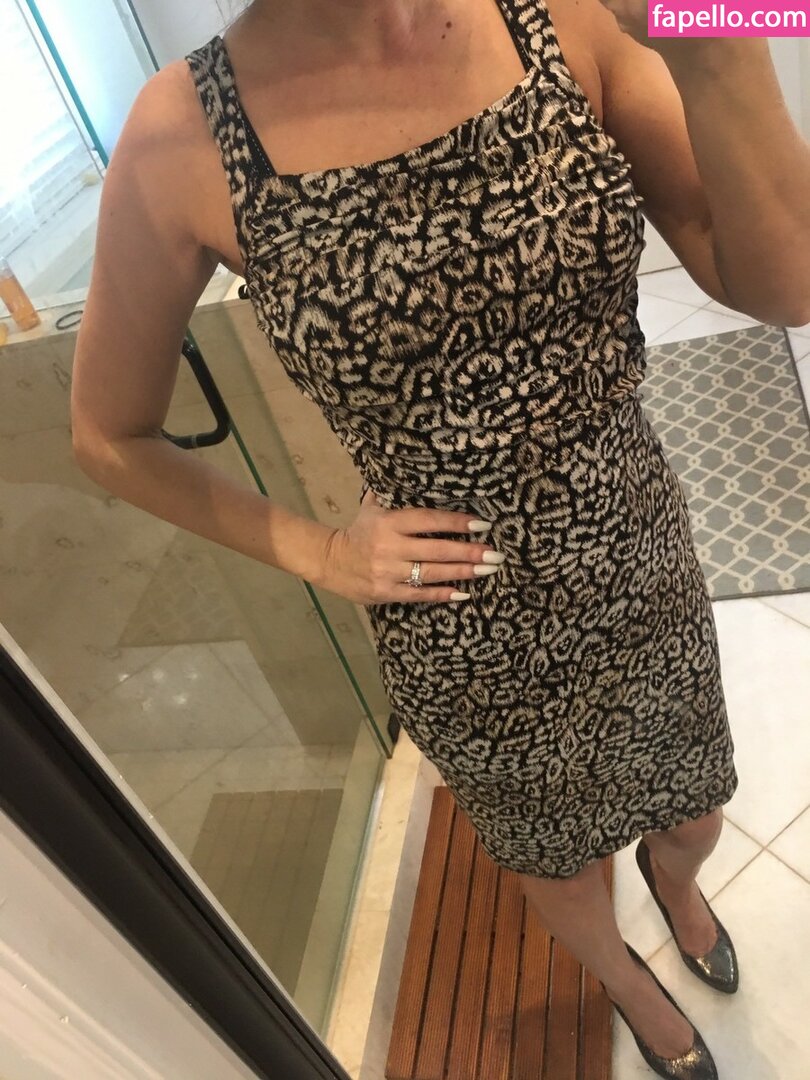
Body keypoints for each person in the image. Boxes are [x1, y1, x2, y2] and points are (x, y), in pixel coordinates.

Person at [70, 1, 810, 1076]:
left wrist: (721, 40)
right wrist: (322, 552)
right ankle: (622, 981)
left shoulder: (562, 15)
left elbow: (785, 287)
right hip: (462, 623)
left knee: (694, 812)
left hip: (636, 548)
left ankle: (677, 882)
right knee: (559, 866)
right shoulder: (181, 131)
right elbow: (107, 434)